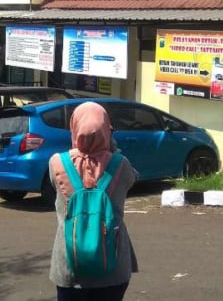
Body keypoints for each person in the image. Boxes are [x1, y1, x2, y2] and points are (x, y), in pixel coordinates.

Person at [48, 102, 138, 301]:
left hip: (69, 268)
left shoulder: (56, 162)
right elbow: (132, 179)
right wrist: (111, 146)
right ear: (107, 129)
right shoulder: (121, 165)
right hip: (113, 266)